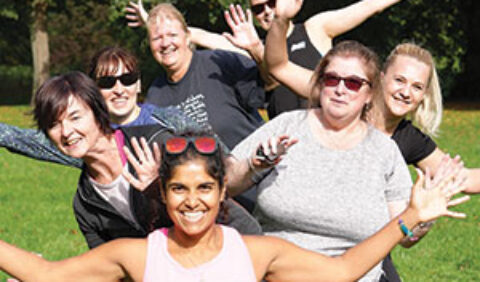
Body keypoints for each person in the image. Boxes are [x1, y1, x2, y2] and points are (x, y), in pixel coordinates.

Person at [0, 132, 469, 281]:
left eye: (205, 188)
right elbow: (48, 276)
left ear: (223, 193)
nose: (192, 202)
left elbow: (343, 272)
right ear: (162, 195)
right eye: (180, 190)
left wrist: (409, 219)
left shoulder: (253, 253)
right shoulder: (139, 254)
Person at [29, 71, 260, 249]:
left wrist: (160, 189)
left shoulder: (157, 144)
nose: (66, 131)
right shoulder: (86, 203)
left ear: (97, 111)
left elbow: (228, 214)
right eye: (53, 124)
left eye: (75, 117)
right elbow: (107, 269)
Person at [126, 0, 402, 118]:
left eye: (272, 2)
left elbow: (369, 6)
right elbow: (190, 35)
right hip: (289, 144)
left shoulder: (315, 29)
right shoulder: (249, 46)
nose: (267, 11)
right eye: (258, 8)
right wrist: (152, 22)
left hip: (334, 128)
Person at [144, 3, 266, 150]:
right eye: (157, 38)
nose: (165, 43)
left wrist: (258, 51)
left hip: (260, 166)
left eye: (172, 35)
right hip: (205, 172)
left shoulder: (220, 64)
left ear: (188, 37)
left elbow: (269, 85)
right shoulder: (155, 98)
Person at [368, 42, 480, 194]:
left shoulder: (410, 140)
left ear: (424, 95)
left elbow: (464, 179)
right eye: (399, 80)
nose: (406, 93)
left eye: (417, 87)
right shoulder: (348, 111)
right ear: (382, 78)